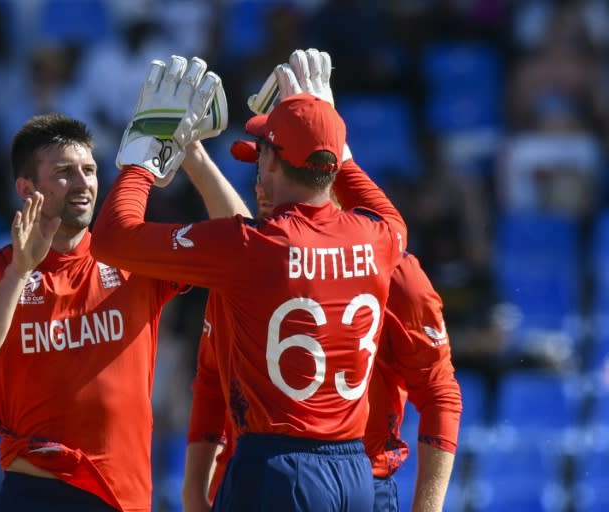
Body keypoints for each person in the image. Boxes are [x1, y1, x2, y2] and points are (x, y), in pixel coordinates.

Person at [91, 54, 408, 510]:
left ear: (276, 164)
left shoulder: (250, 245)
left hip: (278, 471)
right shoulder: (380, 238)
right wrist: (328, 131)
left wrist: (146, 147)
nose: (256, 173)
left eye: (262, 156)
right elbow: (384, 213)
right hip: (354, 472)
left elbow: (113, 238)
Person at [180, 50, 461, 512]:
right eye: (261, 166)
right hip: (252, 478)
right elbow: (211, 381)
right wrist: (194, 491)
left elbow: (440, 392)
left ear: (320, 172)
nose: (262, 183)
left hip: (362, 483)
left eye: (276, 165)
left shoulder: (394, 269)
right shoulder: (246, 266)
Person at [0, 90, 246, 511]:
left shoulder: (131, 255)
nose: (84, 182)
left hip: (127, 497)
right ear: (25, 187)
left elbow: (246, 247)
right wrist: (20, 270)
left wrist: (191, 152)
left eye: (89, 169)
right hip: (42, 489)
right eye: (65, 172)